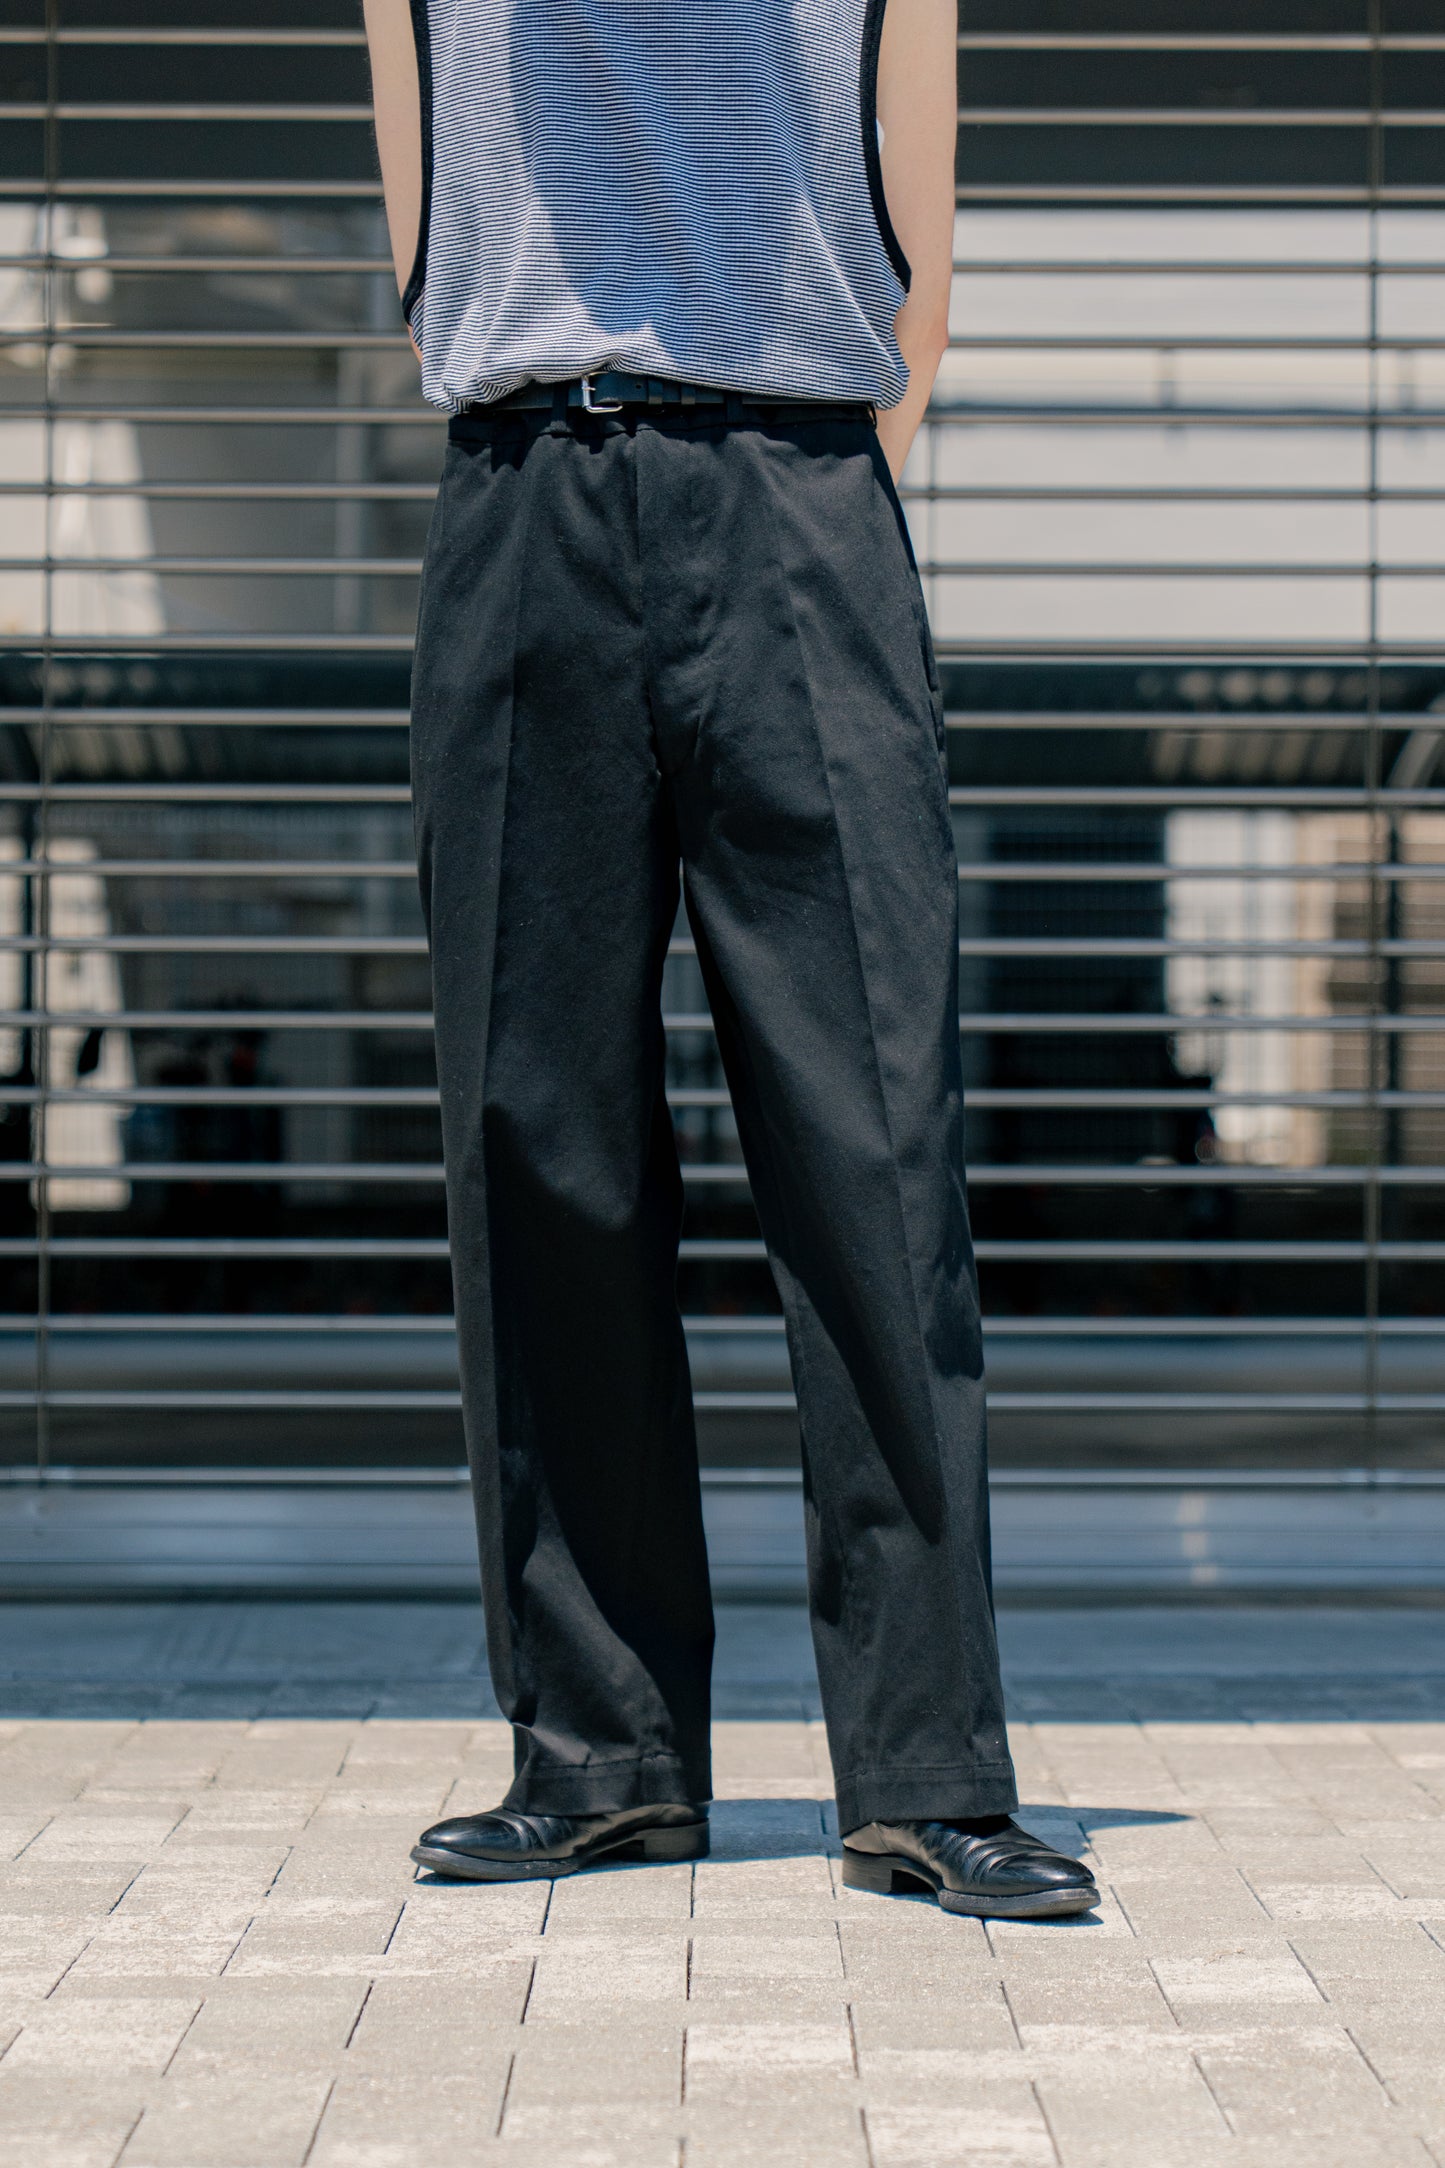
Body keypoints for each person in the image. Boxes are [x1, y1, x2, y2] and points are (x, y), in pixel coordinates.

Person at [363, 0, 1097, 1920]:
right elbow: (425, 223)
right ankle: (599, 1759)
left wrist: (807, 467)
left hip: (796, 496)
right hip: (521, 497)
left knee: (873, 1141)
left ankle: (927, 1772)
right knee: (537, 1141)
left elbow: (913, 220)